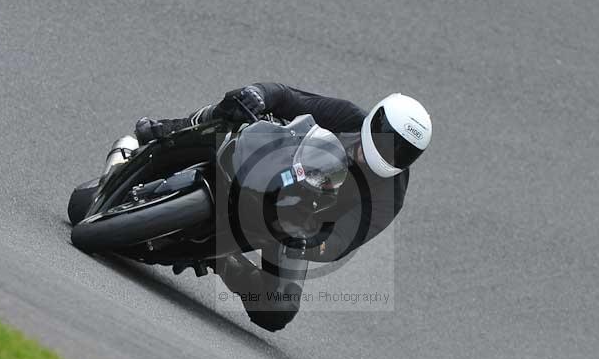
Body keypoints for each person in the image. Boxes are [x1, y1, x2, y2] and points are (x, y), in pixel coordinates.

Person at [132, 83, 432, 331]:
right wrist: (259, 94)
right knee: (237, 103)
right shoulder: (349, 117)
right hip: (272, 164)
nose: (388, 151)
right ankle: (171, 130)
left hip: (293, 223)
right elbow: (289, 98)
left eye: (401, 151)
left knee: (277, 309)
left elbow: (342, 240)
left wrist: (309, 241)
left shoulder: (390, 195)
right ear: (375, 120)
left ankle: (221, 259)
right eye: (386, 137)